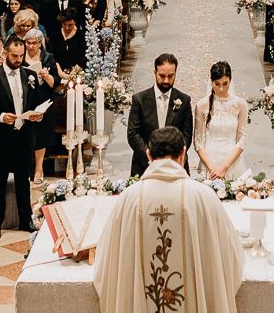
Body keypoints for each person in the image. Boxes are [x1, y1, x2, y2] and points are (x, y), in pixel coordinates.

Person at [95, 127, 243, 313]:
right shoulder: (204, 197)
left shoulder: (129, 198)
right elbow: (232, 257)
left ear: (148, 155)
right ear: (183, 154)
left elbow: (106, 263)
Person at [0, 34, 53, 240]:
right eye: (15, 56)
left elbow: (36, 102)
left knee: (23, 180)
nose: (18, 60)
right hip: (0, 138)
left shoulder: (29, 75)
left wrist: (37, 114)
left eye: (21, 56)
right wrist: (1, 116)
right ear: (5, 53)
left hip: (23, 136)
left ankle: (25, 218)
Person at [128, 53, 193, 175]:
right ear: (155, 72)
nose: (166, 81)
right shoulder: (139, 99)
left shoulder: (184, 100)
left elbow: (187, 136)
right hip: (144, 165)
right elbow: (133, 134)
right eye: (162, 76)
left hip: (176, 167)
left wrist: (173, 159)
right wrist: (151, 157)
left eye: (171, 76)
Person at [192, 61, 250, 180]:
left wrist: (225, 167)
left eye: (225, 83)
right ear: (211, 82)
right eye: (217, 84)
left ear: (230, 81)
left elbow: (242, 139)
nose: (221, 88)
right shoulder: (202, 105)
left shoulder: (241, 105)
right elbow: (198, 141)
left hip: (233, 161)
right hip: (209, 160)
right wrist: (212, 169)